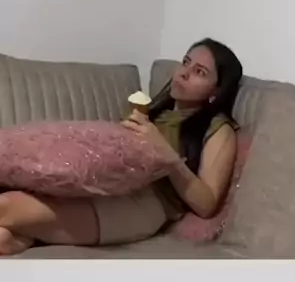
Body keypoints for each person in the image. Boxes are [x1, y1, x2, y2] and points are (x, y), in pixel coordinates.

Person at [0, 38, 242, 256]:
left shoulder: (219, 129)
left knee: (6, 207)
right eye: (185, 62)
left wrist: (167, 156)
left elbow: (207, 204)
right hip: (105, 187)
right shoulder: (153, 113)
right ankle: (20, 240)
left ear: (216, 91)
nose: (183, 73)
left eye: (199, 72)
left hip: (143, 207)